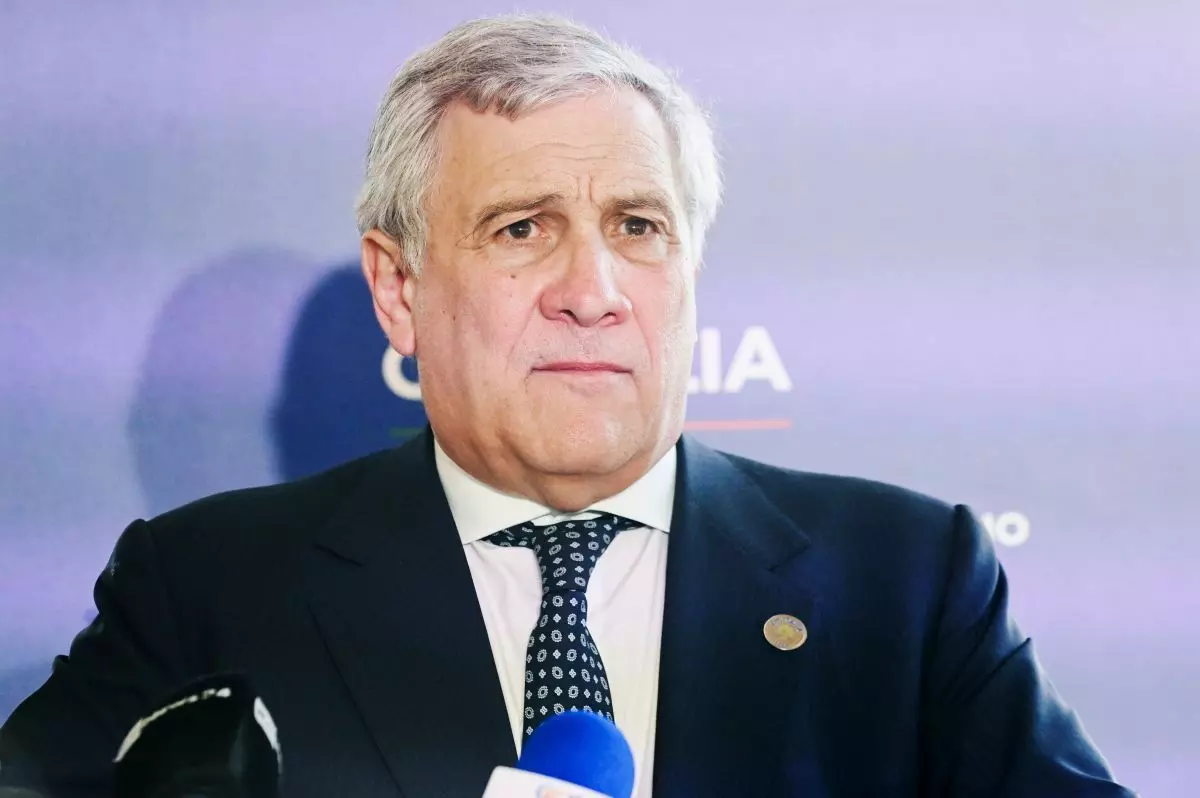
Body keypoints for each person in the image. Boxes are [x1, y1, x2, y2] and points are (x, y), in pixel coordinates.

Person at [0, 13, 1135, 798]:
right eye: (522, 228)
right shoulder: (209, 589)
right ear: (399, 289)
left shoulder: (909, 580)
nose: (592, 291)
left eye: (638, 227)